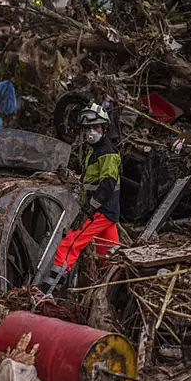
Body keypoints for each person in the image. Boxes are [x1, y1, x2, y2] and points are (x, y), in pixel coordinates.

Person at [46, 103, 120, 290]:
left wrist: (89, 209)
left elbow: (108, 185)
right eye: (87, 129)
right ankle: (112, 292)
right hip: (107, 212)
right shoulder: (94, 152)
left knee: (69, 245)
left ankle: (48, 293)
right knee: (110, 256)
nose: (91, 132)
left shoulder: (107, 153)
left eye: (96, 127)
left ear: (104, 128)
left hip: (101, 210)